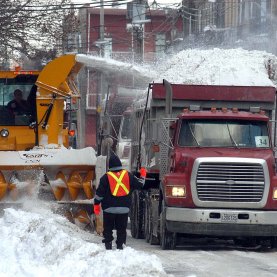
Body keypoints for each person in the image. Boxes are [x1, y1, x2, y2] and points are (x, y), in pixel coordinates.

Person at [93, 153, 144, 250]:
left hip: (109, 209)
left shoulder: (105, 178)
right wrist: (143, 174)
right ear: (120, 164)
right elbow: (140, 185)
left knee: (108, 229)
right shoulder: (128, 175)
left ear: (110, 166)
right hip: (124, 209)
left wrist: (96, 205)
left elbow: (99, 194)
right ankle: (120, 247)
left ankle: (108, 246)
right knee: (121, 230)